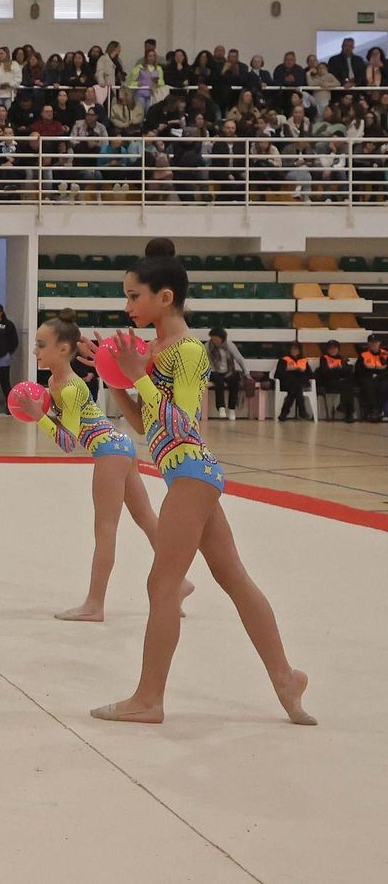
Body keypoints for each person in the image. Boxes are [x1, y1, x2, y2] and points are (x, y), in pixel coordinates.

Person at [82, 239, 312, 726]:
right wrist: (116, 378)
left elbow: (183, 421)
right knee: (233, 577)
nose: (128, 306)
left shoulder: (188, 350)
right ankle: (286, 677)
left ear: (165, 297)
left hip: (191, 471)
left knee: (162, 583)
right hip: (189, 473)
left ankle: (149, 699)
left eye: (134, 296)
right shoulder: (155, 351)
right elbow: (145, 424)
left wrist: (136, 377)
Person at [29, 311, 192, 622]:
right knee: (145, 517)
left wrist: (38, 416)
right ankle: (180, 581)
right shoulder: (54, 381)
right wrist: (44, 414)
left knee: (105, 529)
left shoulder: (70, 387)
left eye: (41, 344)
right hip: (120, 445)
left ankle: (95, 603)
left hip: (109, 450)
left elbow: (68, 442)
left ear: (63, 349)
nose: (35, 350)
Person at [206, 327, 248, 420]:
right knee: (218, 381)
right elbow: (206, 362)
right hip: (214, 371)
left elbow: (239, 358)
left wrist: (246, 372)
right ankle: (221, 408)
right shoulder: (208, 346)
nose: (214, 341)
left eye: (216, 339)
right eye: (212, 339)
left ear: (222, 338)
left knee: (235, 380)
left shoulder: (229, 345)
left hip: (228, 371)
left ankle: (232, 408)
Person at [275, 341, 312, 421]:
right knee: (296, 387)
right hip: (287, 383)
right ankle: (302, 410)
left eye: (296, 349)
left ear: (299, 350)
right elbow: (278, 374)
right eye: (292, 349)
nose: (294, 351)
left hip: (300, 383)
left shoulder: (303, 360)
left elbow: (310, 374)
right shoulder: (284, 360)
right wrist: (289, 370)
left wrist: (301, 371)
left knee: (295, 387)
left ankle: (284, 413)